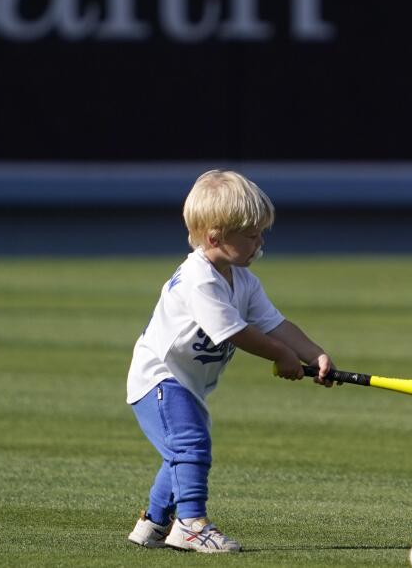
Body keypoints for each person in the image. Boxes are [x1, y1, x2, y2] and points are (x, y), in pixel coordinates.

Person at [124, 169, 336, 553]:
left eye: (260, 234)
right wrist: (282, 356)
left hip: (185, 382)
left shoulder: (243, 279)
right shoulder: (198, 280)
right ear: (215, 237)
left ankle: (155, 522)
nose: (259, 243)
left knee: (182, 451)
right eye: (251, 236)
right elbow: (233, 331)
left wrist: (313, 354)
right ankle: (190, 523)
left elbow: (275, 323)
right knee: (190, 446)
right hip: (159, 377)